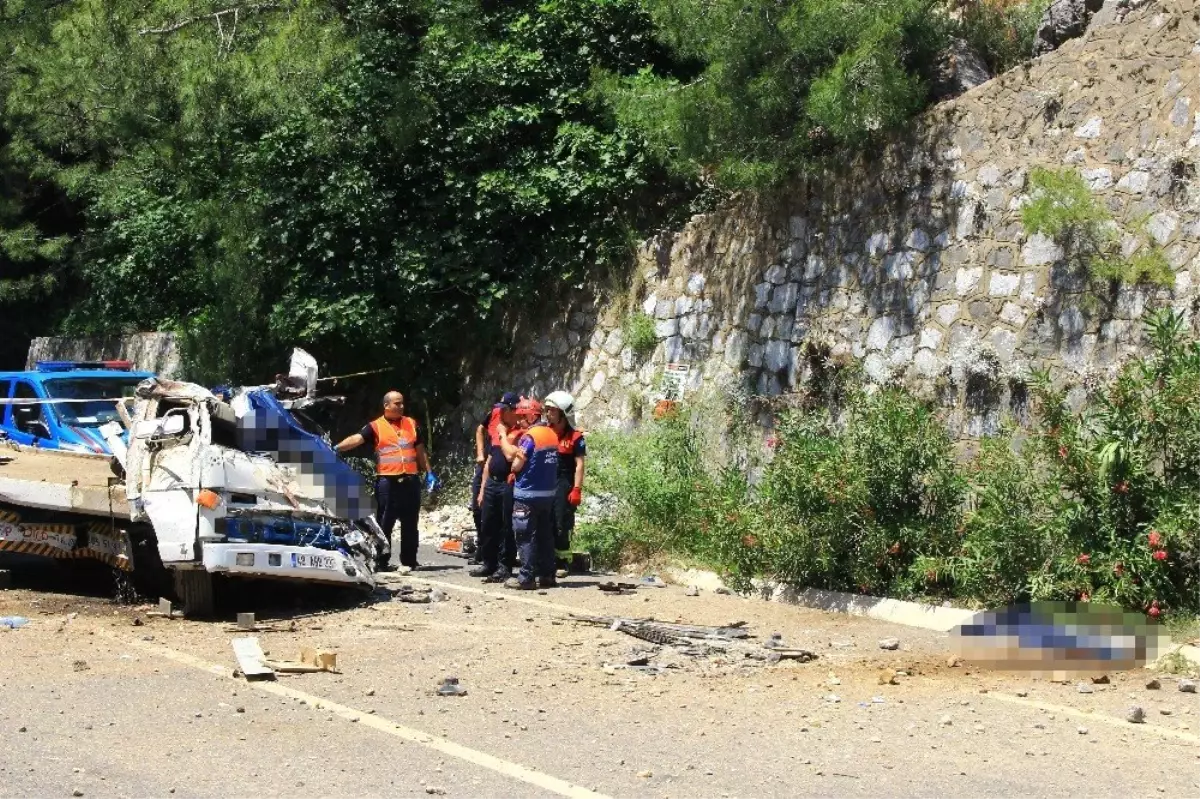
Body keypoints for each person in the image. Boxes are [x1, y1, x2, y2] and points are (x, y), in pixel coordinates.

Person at [334, 391, 436, 573]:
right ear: (386, 406)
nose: (401, 406)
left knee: (410, 523)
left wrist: (429, 472)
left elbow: (419, 450)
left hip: (410, 480)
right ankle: (381, 561)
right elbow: (357, 439)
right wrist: (336, 448)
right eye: (397, 403)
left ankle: (410, 560)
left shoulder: (411, 424)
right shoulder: (376, 426)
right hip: (388, 482)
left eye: (402, 403)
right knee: (384, 523)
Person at [498, 397, 558, 590]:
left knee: (525, 536)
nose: (519, 421)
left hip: (527, 494)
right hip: (547, 494)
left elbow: (517, 463)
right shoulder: (551, 434)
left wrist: (513, 470)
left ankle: (526, 577)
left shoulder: (530, 437)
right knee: (545, 535)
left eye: (522, 417)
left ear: (532, 416)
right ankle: (548, 575)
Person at [471, 394, 523, 582]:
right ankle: (488, 563)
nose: (500, 413)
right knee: (487, 523)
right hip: (492, 482)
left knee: (507, 527)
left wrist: (502, 435)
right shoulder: (498, 430)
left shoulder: (520, 432)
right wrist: (483, 489)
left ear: (513, 411)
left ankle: (504, 566)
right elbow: (490, 460)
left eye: (504, 409)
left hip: (508, 482)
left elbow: (511, 456)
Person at [543, 391, 586, 579]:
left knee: (561, 522)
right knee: (544, 520)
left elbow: (579, 464)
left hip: (563, 482)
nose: (548, 414)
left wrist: (576, 489)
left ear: (563, 413)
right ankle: (545, 559)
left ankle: (562, 562)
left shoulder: (575, 437)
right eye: (547, 410)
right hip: (545, 480)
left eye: (552, 410)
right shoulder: (544, 433)